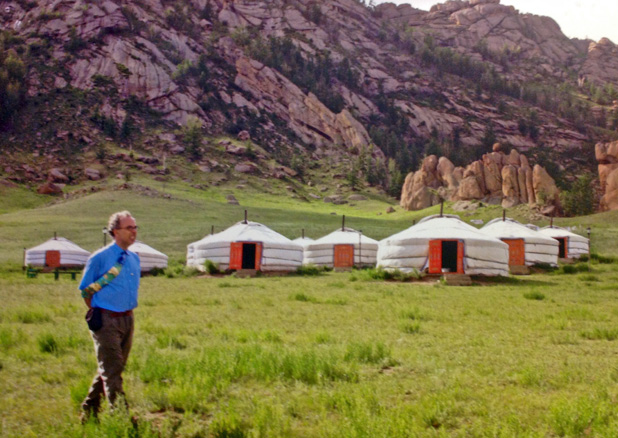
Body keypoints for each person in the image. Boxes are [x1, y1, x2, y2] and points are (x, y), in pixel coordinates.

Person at [79, 211, 140, 421]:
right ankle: (121, 417)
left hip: (127, 318)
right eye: (129, 228)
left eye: (135, 227)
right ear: (115, 231)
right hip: (106, 320)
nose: (134, 232)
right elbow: (86, 290)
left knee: (113, 366)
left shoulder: (134, 258)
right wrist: (100, 311)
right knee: (113, 369)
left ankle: (89, 409)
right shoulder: (100, 258)